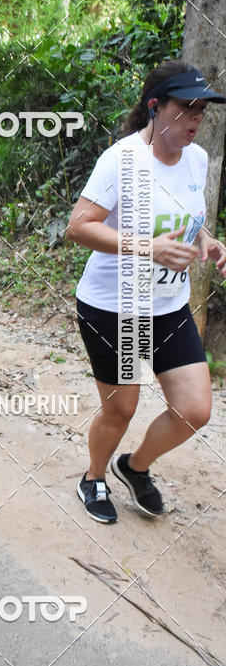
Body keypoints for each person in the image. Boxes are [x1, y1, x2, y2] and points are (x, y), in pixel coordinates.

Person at [66, 60, 226, 524]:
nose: (196, 118)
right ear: (155, 106)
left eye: (202, 110)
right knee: (122, 408)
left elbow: (186, 219)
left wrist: (206, 241)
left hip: (167, 306)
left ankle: (133, 467)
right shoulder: (122, 160)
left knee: (195, 408)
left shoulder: (197, 158)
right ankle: (93, 477)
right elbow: (79, 227)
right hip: (112, 307)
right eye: (186, 108)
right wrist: (147, 249)